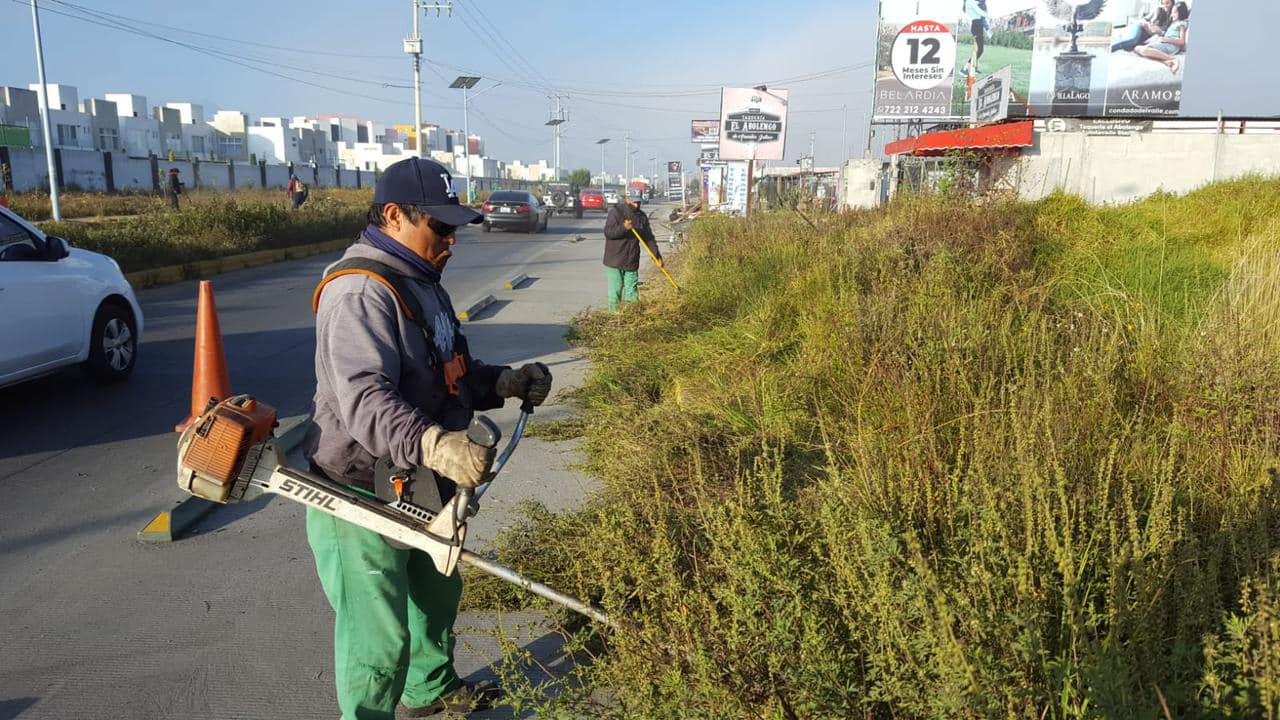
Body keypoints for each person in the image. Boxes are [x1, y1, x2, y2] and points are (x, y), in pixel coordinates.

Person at [304, 156, 553, 719]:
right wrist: (438, 445)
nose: (451, 240)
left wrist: (503, 382)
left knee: (436, 596)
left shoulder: (421, 283)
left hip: (414, 481)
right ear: (393, 215)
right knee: (377, 641)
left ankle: (430, 690)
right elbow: (364, 399)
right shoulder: (361, 293)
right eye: (439, 227)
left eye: (455, 229)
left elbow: (449, 368)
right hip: (358, 490)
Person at [602, 191, 662, 312]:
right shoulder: (617, 212)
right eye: (634, 202)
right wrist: (624, 228)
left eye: (639, 202)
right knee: (615, 292)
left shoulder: (641, 217)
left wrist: (656, 255)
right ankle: (613, 318)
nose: (637, 205)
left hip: (632, 260)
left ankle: (632, 317)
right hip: (615, 260)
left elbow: (648, 238)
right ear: (627, 199)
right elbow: (609, 232)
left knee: (632, 292)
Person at [1134, 2, 1190, 74]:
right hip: (1164, 43)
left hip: (1171, 46)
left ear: (1181, 12)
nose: (1172, 14)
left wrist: (1165, 39)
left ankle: (1173, 59)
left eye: (1175, 12)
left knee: (1144, 50)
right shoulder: (1174, 23)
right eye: (1172, 12)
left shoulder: (1181, 24)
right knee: (1137, 49)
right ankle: (1166, 62)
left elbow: (1182, 41)